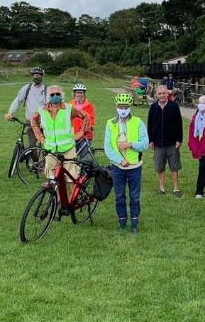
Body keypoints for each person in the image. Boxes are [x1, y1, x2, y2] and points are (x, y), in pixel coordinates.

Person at [104, 93, 150, 232]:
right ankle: (122, 222)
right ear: (116, 107)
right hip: (118, 167)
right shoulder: (110, 124)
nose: (123, 110)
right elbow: (108, 147)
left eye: (125, 107)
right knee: (119, 196)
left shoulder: (138, 122)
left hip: (135, 166)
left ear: (129, 107)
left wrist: (130, 144)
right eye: (120, 107)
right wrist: (120, 160)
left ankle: (134, 224)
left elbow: (145, 144)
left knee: (134, 197)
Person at [31, 84, 87, 184]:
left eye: (57, 94)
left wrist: (81, 132)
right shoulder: (42, 111)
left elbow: (85, 116)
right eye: (52, 95)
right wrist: (39, 136)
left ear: (62, 95)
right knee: (52, 180)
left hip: (68, 149)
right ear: (48, 96)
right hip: (51, 151)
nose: (55, 96)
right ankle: (57, 199)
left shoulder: (69, 108)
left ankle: (72, 199)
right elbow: (33, 121)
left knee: (71, 179)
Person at [147, 85, 184, 195]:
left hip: (172, 142)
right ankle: (162, 188)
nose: (162, 95)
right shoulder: (153, 107)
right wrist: (151, 140)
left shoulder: (174, 106)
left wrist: (179, 139)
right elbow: (150, 125)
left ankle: (176, 189)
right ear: (156, 95)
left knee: (174, 167)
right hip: (158, 143)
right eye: (160, 93)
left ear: (168, 94)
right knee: (160, 167)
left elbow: (179, 124)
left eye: (164, 93)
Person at [5, 67, 48, 148]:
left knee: (47, 146)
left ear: (42, 76)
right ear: (32, 76)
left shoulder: (47, 89)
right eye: (35, 75)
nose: (37, 77)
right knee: (32, 146)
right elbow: (18, 100)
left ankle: (46, 160)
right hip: (30, 121)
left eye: (39, 75)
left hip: (44, 122)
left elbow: (50, 105)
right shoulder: (27, 88)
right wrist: (10, 113)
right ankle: (35, 160)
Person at [70, 83, 96, 159]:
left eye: (81, 92)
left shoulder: (89, 106)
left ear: (84, 94)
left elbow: (91, 119)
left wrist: (88, 127)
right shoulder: (70, 105)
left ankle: (83, 170)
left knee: (84, 157)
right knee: (72, 157)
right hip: (73, 135)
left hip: (85, 135)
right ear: (74, 94)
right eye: (77, 92)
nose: (79, 94)